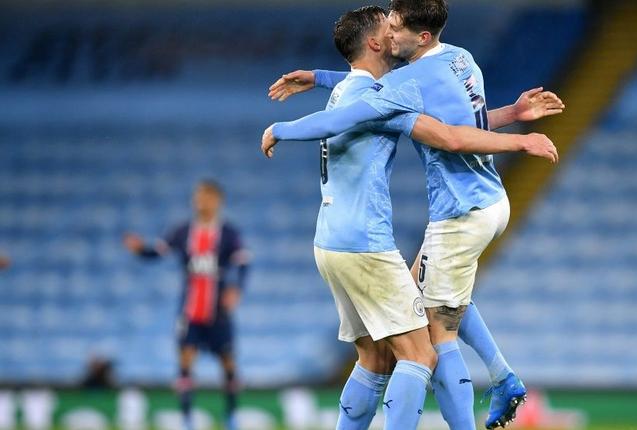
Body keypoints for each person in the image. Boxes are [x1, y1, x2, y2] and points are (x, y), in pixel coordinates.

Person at [261, 1, 565, 428]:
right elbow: (451, 130)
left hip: (335, 242)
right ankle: (499, 381)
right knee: (423, 346)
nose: (391, 32)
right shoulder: (460, 59)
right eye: (387, 27)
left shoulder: (362, 89)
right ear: (374, 42)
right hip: (408, 229)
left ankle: (502, 377)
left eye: (396, 25)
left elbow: (450, 127)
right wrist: (284, 124)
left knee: (409, 337)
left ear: (419, 36)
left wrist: (306, 91)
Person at [124, 180, 249, 430]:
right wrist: (140, 250)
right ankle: (187, 419)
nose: (201, 201)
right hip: (190, 312)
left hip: (219, 313)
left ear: (218, 201)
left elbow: (243, 263)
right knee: (184, 363)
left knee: (229, 364)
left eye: (206, 196)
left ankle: (231, 416)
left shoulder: (229, 233)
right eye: (198, 196)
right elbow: (158, 252)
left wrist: (236, 288)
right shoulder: (182, 231)